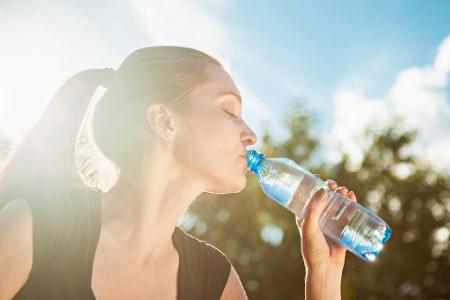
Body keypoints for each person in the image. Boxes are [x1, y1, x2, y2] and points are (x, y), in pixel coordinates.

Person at [0, 46, 357, 300]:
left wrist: (323, 279)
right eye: (230, 111)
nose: (250, 134)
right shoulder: (38, 228)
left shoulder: (212, 279)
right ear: (164, 121)